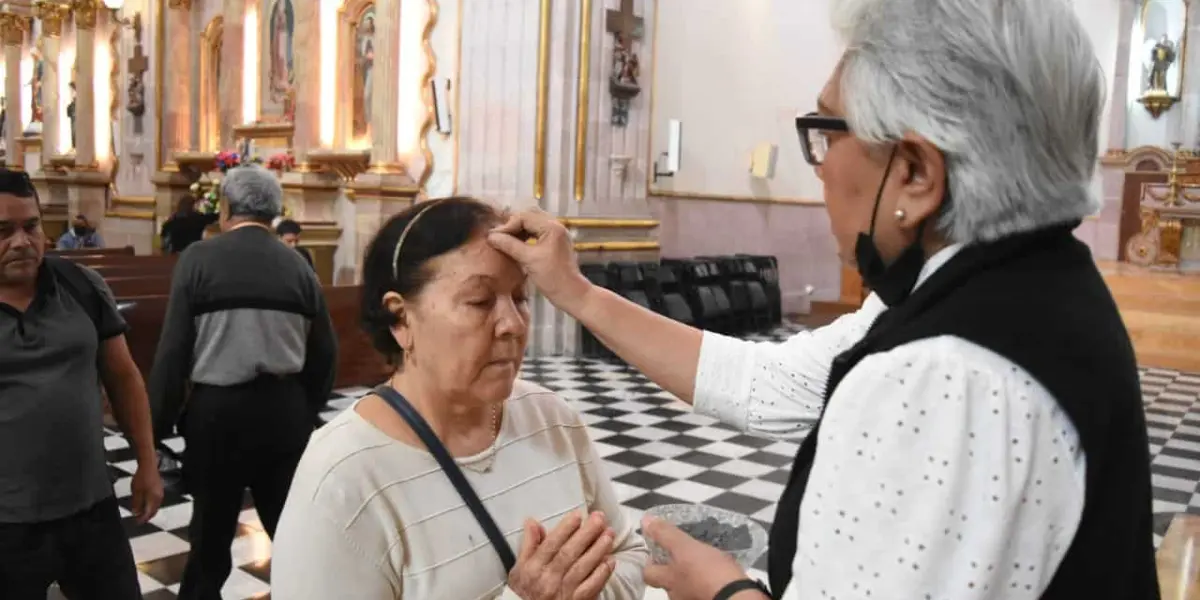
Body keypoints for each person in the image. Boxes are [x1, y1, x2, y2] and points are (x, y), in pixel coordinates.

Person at [487, 0, 1159, 598]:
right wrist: (573, 291)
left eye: (827, 130)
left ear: (917, 173)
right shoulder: (1021, 289)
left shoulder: (939, 375)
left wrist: (724, 592)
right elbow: (766, 382)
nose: (820, 164)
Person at [271, 197, 648, 599]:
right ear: (401, 318)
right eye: (480, 301)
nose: (513, 324)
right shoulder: (344, 479)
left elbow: (630, 555)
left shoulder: (551, 418)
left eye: (519, 297)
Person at [148, 164, 338, 600]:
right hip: (285, 414)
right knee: (290, 530)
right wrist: (303, 408)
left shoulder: (198, 258)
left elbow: (173, 352)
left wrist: (155, 431)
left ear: (227, 207)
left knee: (211, 537)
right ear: (275, 212)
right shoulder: (299, 266)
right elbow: (326, 353)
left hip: (218, 416)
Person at [0, 168, 163, 598]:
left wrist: (147, 462)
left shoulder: (82, 286)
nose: (21, 241)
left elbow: (124, 377)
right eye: (3, 231)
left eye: (31, 226)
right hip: (7, 522)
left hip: (90, 507)